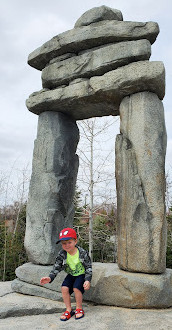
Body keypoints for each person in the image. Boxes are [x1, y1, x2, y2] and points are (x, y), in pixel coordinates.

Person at [40, 227, 92, 321]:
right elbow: (57, 267)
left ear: (75, 241)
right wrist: (50, 277)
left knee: (76, 288)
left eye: (69, 242)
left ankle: (79, 308)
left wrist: (87, 280)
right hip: (71, 275)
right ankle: (68, 309)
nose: (67, 245)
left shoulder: (82, 253)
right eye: (64, 243)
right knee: (64, 288)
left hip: (81, 275)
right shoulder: (62, 254)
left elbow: (88, 267)